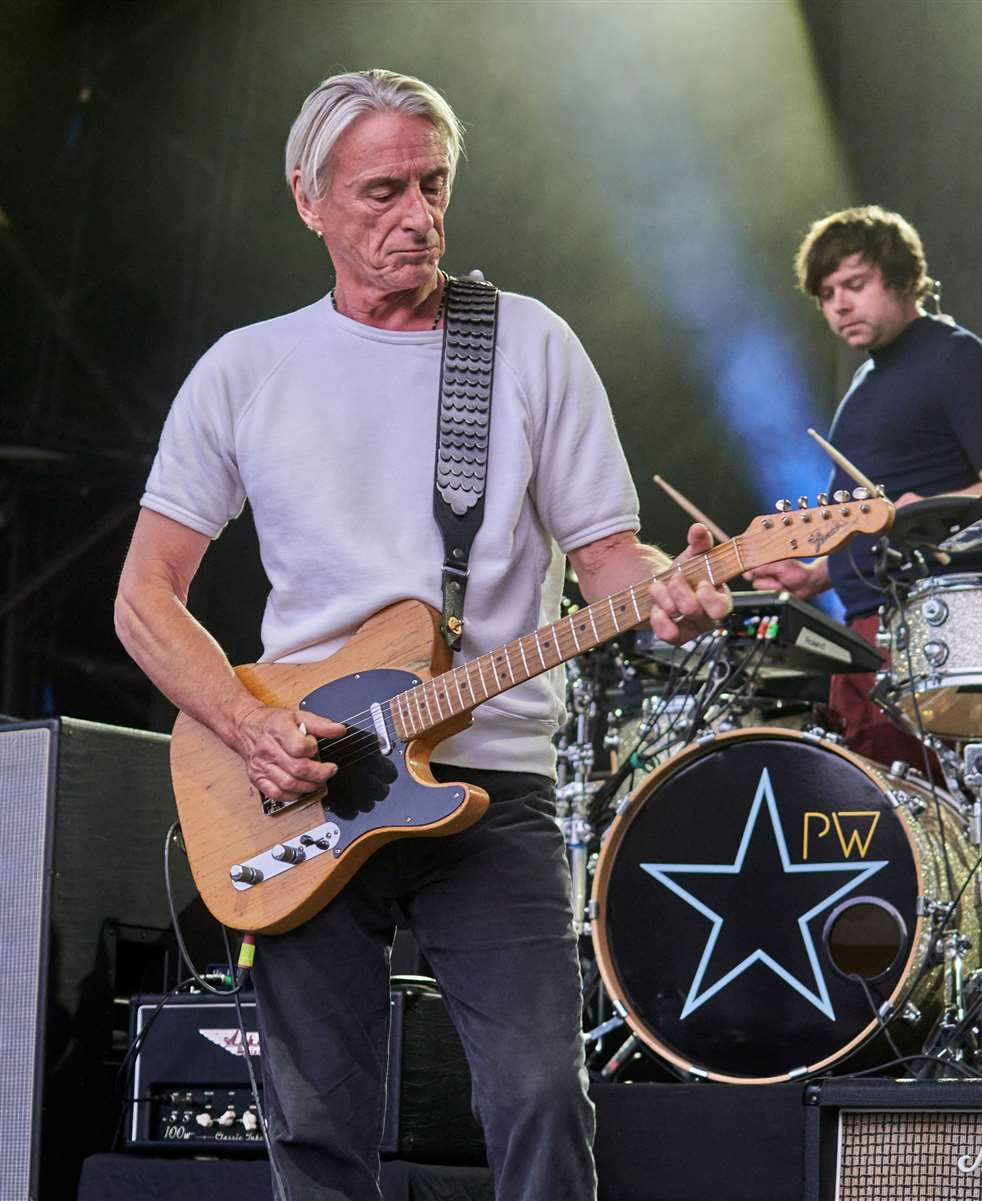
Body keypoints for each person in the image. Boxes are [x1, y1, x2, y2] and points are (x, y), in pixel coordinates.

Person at [114, 69, 730, 1201]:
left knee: (544, 1097)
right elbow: (145, 597)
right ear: (308, 199)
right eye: (382, 190)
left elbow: (609, 564)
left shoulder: (531, 345)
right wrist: (249, 727)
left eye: (433, 185)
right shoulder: (247, 370)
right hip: (305, 783)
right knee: (312, 1125)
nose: (418, 215)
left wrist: (674, 593)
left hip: (492, 787)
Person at [745, 205, 982, 767]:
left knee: (943, 817)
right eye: (827, 294)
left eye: (854, 284)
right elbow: (875, 529)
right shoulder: (866, 381)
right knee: (886, 826)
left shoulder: (959, 359)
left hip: (935, 635)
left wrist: (921, 509)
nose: (840, 305)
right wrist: (815, 575)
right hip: (864, 635)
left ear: (903, 279)